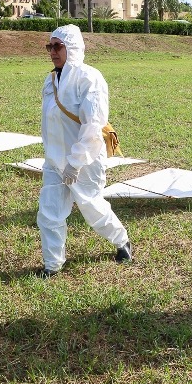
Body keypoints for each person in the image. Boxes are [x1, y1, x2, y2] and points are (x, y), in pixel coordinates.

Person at [36, 24, 132, 277]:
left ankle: (121, 240)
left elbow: (93, 127)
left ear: (73, 48)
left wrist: (75, 162)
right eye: (50, 46)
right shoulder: (51, 80)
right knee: (49, 213)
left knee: (91, 207)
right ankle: (52, 264)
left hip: (85, 160)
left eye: (58, 46)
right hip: (55, 161)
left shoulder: (89, 78)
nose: (52, 52)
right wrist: (56, 159)